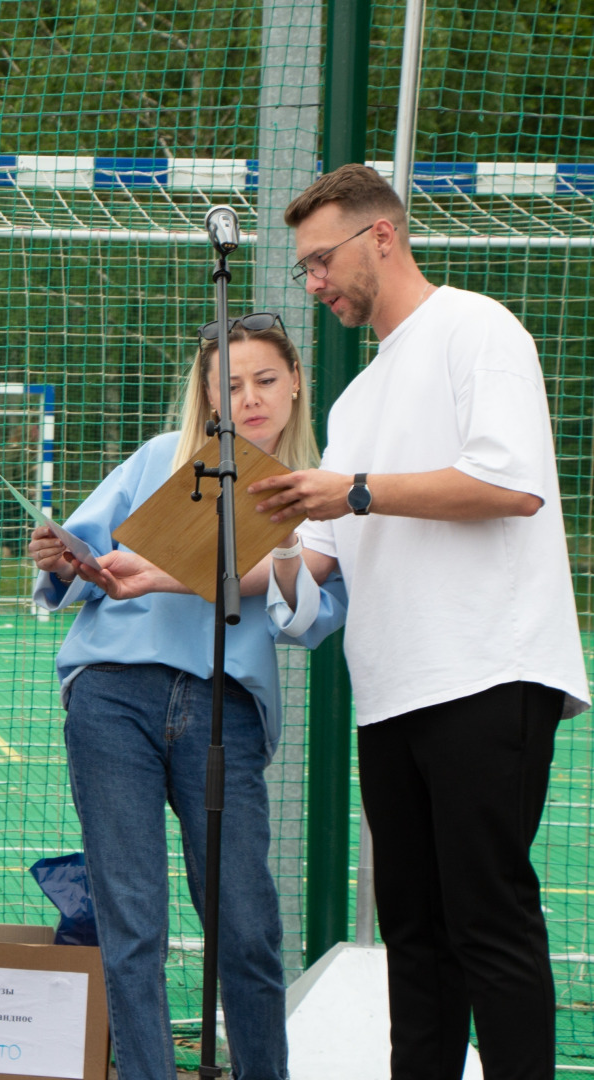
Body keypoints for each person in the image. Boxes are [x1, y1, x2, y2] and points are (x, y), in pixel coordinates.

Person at [251, 163, 590, 1080]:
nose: (313, 283)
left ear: (383, 237)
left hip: (488, 669)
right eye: (306, 268)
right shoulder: (356, 399)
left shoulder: (475, 328)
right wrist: (165, 571)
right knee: (413, 934)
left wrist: (353, 490)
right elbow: (312, 564)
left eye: (321, 261)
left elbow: (511, 486)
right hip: (391, 693)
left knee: (489, 920)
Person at [28, 316, 347, 1080]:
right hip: (113, 698)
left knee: (246, 927)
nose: (250, 399)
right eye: (229, 387)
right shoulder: (158, 463)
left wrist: (276, 553)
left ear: (297, 379)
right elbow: (81, 561)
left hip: (224, 708)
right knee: (132, 921)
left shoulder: (316, 490)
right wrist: (65, 563)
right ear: (206, 399)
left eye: (265, 380)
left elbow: (310, 618)